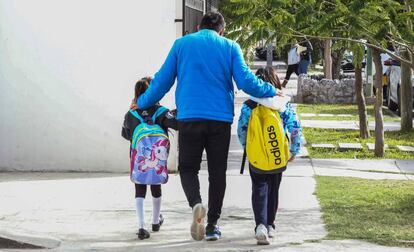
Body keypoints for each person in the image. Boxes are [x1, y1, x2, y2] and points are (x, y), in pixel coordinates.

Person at [132, 12, 277, 241]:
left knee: (188, 168)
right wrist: (271, 90)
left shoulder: (181, 44)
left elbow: (162, 81)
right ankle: (211, 225)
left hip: (189, 118)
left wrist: (142, 102)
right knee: (217, 173)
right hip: (220, 119)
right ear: (222, 30)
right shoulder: (230, 46)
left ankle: (196, 204)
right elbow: (246, 81)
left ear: (199, 26)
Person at [237, 67, 302, 245]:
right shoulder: (283, 104)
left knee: (258, 187)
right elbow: (294, 127)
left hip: (257, 155)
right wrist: (294, 150)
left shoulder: (249, 105)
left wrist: (248, 148)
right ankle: (271, 224)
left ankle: (260, 225)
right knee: (273, 188)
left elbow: (242, 130)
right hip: (277, 154)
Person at [122, 77, 178, 240]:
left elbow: (126, 135)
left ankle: (141, 226)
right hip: (158, 162)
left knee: (139, 190)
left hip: (139, 160)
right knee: (156, 186)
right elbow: (176, 124)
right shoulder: (160, 111)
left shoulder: (131, 114)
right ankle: (155, 221)